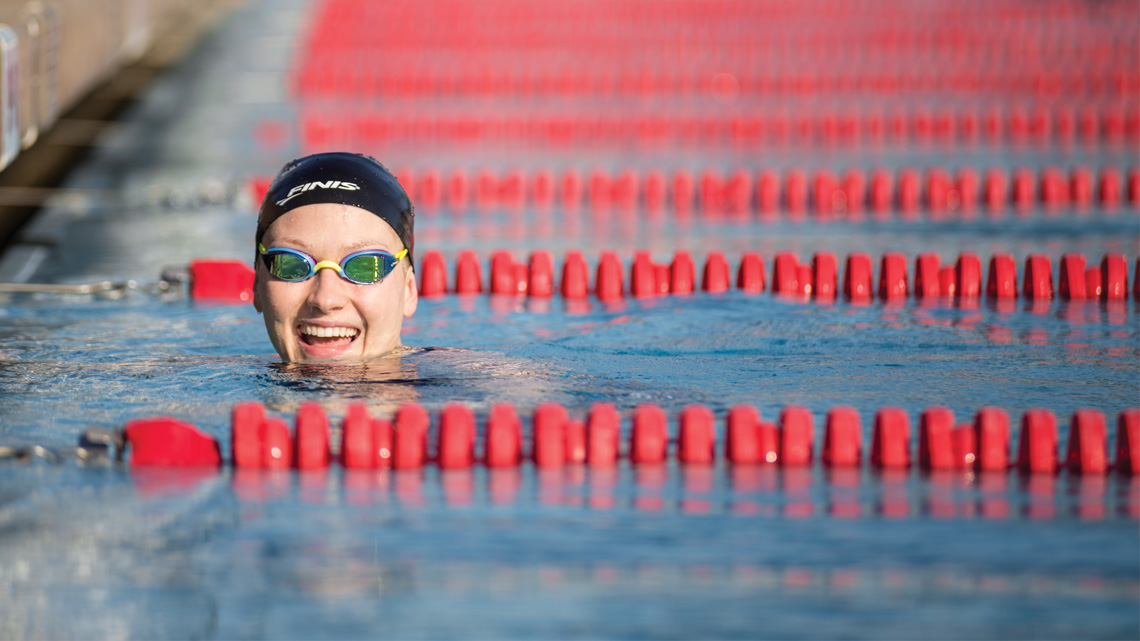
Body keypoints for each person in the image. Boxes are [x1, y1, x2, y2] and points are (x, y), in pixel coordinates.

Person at [253, 152, 418, 363]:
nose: (325, 300)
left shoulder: (459, 387)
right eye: (291, 265)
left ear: (409, 291)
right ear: (257, 285)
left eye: (364, 266)